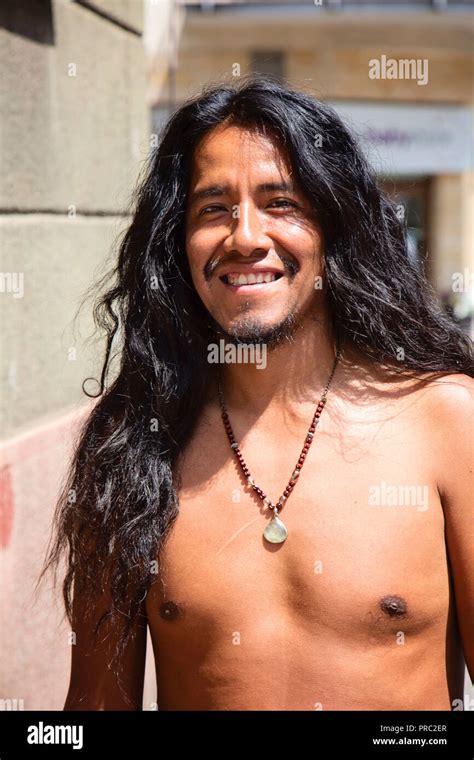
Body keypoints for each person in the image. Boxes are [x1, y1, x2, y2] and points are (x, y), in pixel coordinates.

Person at [40, 76, 473, 711]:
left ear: (334, 227)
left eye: (281, 203)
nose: (244, 236)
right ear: (178, 244)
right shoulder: (131, 444)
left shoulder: (448, 420)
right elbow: (94, 708)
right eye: (213, 208)